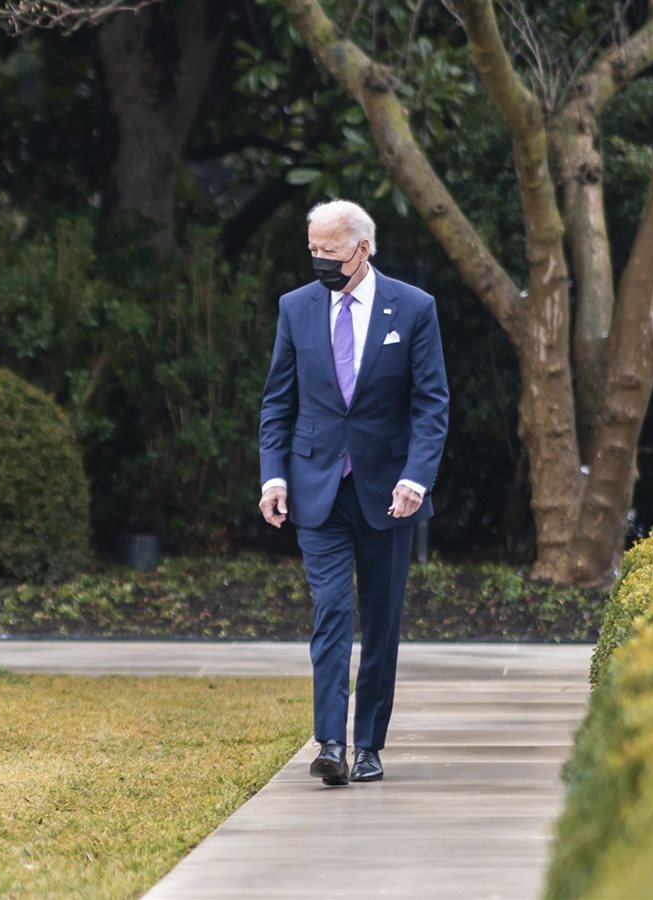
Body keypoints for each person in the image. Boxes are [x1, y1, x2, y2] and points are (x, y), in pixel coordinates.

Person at [258, 199, 449, 785]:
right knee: (333, 611)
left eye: (330, 251)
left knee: (382, 620)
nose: (319, 259)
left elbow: (431, 403)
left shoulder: (414, 308)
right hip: (317, 489)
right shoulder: (296, 308)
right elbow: (278, 401)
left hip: (389, 492)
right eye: (312, 249)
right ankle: (330, 743)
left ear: (362, 249)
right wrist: (273, 475)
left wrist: (416, 477)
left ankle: (369, 744)